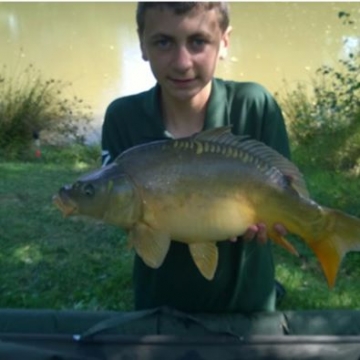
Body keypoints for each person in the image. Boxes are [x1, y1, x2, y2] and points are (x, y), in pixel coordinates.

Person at [101, 2, 289, 313]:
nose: (182, 62)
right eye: (163, 42)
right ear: (142, 43)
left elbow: (287, 190)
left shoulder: (254, 105)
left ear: (224, 42)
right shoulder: (122, 117)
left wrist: (280, 217)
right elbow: (121, 210)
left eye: (198, 42)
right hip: (159, 304)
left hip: (248, 303)